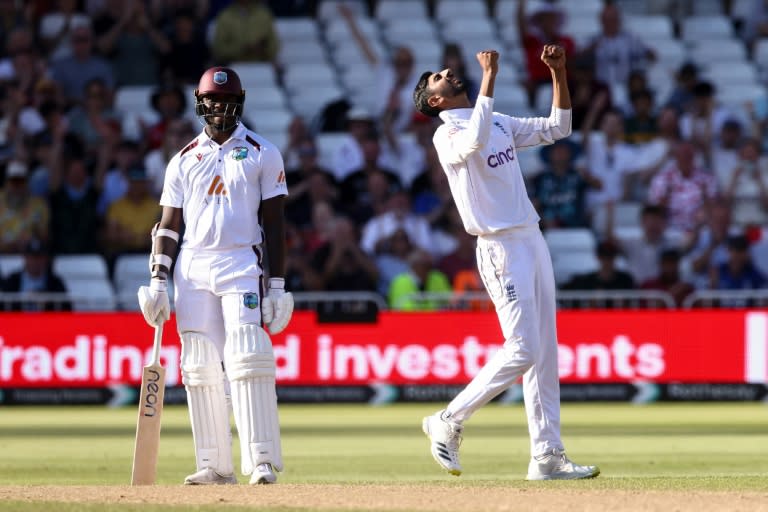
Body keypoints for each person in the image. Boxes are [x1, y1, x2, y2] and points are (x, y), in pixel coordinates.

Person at [412, 46, 599, 480]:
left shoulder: (496, 119)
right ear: (434, 100)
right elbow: (474, 141)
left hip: (530, 237)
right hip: (498, 247)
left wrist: (559, 73)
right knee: (522, 349)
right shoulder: (446, 134)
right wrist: (489, 78)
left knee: (545, 353)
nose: (446, 72)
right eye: (437, 77)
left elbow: (559, 127)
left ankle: (547, 456)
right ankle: (449, 418)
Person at [137, 66, 292, 485]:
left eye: (227, 101)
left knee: (247, 357)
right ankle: (214, 464)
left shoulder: (263, 152)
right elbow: (168, 225)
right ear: (200, 103)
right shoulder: (183, 159)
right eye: (213, 101)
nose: (220, 108)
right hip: (192, 267)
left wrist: (276, 285)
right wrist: (157, 280)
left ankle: (260, 459)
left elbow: (275, 224)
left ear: (239, 103)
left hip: (242, 262)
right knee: (200, 363)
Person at [0, 238, 71, 312]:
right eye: (32, 257)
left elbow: (67, 310)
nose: (35, 262)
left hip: (46, 322)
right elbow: (3, 308)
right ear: (25, 258)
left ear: (45, 258)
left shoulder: (55, 282)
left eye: (39, 257)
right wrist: (24, 300)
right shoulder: (12, 281)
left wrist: (47, 302)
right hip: (16, 322)